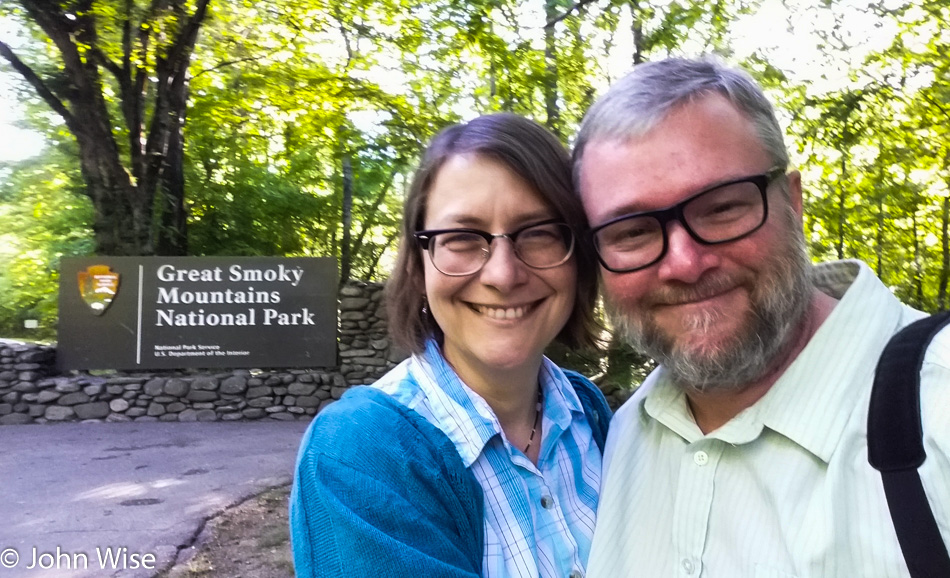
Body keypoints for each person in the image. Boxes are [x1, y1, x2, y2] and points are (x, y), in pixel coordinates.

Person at [573, 57, 950, 577]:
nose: (683, 264)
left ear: (792, 202)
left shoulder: (938, 408)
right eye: (632, 232)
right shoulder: (617, 440)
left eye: (723, 207)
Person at [290, 113, 611, 578]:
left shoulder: (590, 414)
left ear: (576, 256)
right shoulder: (357, 456)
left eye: (538, 233)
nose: (503, 275)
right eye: (462, 238)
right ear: (419, 267)